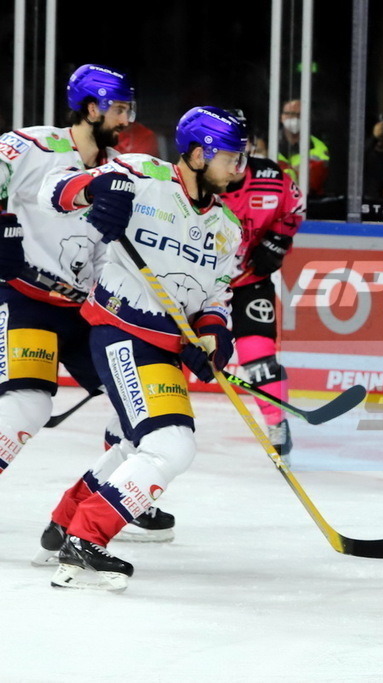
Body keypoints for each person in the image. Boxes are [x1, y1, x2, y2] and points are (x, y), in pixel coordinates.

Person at [42, 106, 246, 591]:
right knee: (171, 444)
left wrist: (212, 340)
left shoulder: (228, 228)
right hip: (121, 332)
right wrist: (97, 190)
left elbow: (215, 299)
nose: (240, 169)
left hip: (163, 347)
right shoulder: (143, 174)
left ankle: (63, 525)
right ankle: (87, 539)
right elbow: (58, 191)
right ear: (198, 155)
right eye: (232, 158)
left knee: (139, 445)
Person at [0, 64, 177, 560]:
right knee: (26, 407)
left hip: (85, 311)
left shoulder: (122, 168)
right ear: (93, 107)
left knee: (136, 416)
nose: (127, 118)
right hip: (26, 299)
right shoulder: (33, 146)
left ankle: (89, 509)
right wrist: (5, 226)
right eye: (120, 108)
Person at [221, 110, 305, 462]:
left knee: (258, 354)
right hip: (194, 283)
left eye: (243, 147)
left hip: (249, 280)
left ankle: (276, 421)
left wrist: (275, 243)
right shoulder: (193, 182)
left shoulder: (272, 177)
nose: (236, 158)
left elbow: (295, 208)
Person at [277, 99, 329, 198]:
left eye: (299, 115)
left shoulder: (318, 147)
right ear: (281, 117)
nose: (294, 119)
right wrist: (297, 171)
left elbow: (312, 183)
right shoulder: (269, 143)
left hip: (308, 203)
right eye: (289, 114)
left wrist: (281, 169)